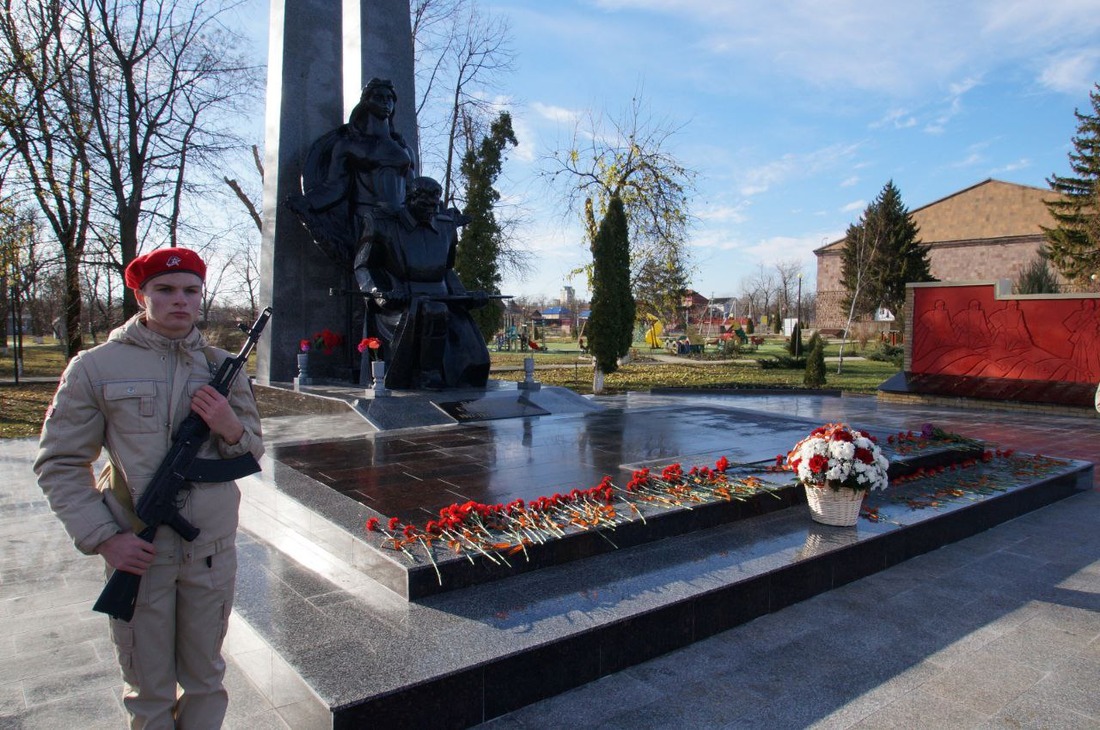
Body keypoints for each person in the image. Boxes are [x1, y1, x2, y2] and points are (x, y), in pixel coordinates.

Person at [34, 247, 264, 728]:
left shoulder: (224, 366)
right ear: (141, 294)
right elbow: (60, 462)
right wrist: (103, 537)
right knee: (149, 691)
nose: (180, 301)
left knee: (206, 681)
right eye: (165, 290)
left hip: (210, 553)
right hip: (139, 552)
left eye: (190, 291)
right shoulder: (95, 368)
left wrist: (227, 426)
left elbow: (251, 453)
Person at [354, 176, 491, 389]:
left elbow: (447, 270)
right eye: (425, 204)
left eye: (435, 204)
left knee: (475, 357)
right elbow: (364, 266)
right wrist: (378, 292)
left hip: (442, 300)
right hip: (400, 303)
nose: (432, 209)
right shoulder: (382, 223)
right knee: (434, 312)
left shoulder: (446, 227)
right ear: (410, 199)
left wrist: (467, 296)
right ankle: (429, 374)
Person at [288, 77, 417, 263]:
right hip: (367, 223)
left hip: (400, 224)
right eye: (379, 97)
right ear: (366, 101)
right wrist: (307, 203)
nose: (385, 102)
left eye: (390, 98)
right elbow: (336, 187)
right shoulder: (349, 145)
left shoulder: (404, 149)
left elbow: (413, 189)